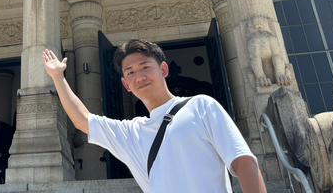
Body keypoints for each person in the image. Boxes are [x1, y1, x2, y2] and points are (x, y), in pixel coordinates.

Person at [42, 40, 267, 193]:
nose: (139, 76)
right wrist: (58, 78)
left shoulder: (201, 106)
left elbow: (242, 161)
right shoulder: (131, 132)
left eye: (145, 67)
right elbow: (82, 120)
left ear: (163, 70)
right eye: (130, 73)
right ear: (125, 85)